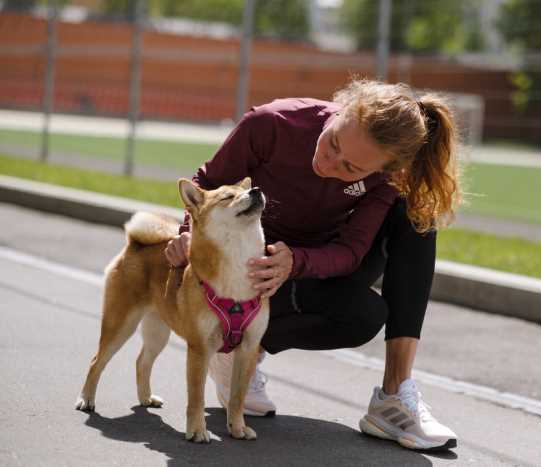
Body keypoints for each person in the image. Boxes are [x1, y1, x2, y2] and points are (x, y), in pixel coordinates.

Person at [165, 78, 461, 451]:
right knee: (361, 304)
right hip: (248, 274)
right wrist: (188, 236)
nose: (329, 162)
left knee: (412, 225)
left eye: (350, 167)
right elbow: (207, 183)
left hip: (305, 270)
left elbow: (352, 250)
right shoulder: (272, 124)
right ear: (341, 112)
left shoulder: (387, 179)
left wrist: (297, 262)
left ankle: (393, 397)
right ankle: (236, 344)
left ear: (382, 170)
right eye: (333, 142)